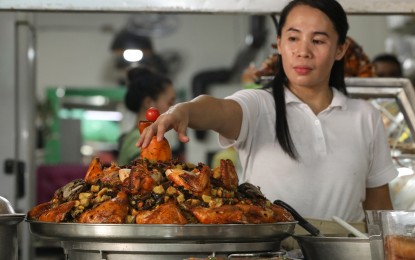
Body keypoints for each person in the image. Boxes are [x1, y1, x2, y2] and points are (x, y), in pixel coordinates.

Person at [137, 0, 398, 223]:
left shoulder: (365, 116)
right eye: (293, 38)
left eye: (318, 40)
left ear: (340, 48)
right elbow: (219, 109)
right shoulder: (259, 105)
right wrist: (183, 110)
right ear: (280, 44)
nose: (303, 51)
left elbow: (379, 210)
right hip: (273, 252)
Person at [118, 66, 176, 165]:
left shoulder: (133, 135)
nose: (173, 109)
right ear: (149, 103)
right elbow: (148, 172)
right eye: (170, 103)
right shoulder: (141, 138)